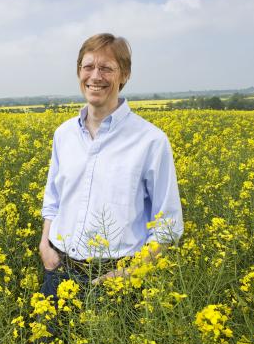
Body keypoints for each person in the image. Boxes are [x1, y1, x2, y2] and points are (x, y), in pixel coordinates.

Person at [39, 33, 183, 301]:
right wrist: (45, 247)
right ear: (79, 72)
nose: (96, 76)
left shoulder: (151, 140)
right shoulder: (64, 134)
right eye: (88, 67)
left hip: (117, 278)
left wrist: (131, 272)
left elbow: (168, 225)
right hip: (58, 269)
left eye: (106, 68)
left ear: (124, 75)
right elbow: (53, 201)